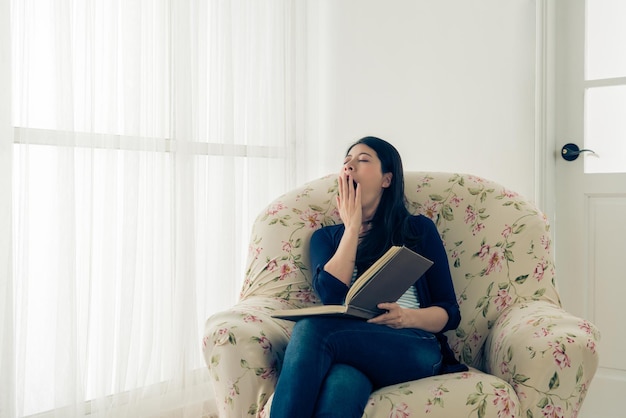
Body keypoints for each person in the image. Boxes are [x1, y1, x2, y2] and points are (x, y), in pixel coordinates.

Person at [270, 136, 466, 418]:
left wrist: (406, 318)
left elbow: (450, 311)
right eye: (346, 161)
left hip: (414, 345)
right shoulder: (326, 237)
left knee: (311, 328)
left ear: (387, 179)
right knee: (341, 382)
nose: (350, 165)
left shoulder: (418, 229)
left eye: (362, 160)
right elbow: (332, 296)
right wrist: (351, 228)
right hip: (354, 348)